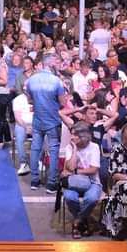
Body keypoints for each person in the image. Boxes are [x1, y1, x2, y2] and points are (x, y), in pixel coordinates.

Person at [26, 54, 67, 193]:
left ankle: (34, 181)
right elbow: (63, 102)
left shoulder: (31, 80)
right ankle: (51, 183)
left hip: (38, 119)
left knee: (35, 149)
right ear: (50, 64)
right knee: (53, 151)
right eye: (56, 62)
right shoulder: (57, 81)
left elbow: (29, 100)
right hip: (53, 121)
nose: (57, 64)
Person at [61, 121, 102, 239]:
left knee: (91, 198)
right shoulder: (70, 147)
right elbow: (70, 167)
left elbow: (93, 169)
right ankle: (85, 220)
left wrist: (75, 172)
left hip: (92, 181)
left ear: (83, 136)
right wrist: (74, 149)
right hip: (74, 181)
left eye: (74, 135)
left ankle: (77, 221)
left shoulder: (94, 147)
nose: (71, 137)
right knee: (70, 197)